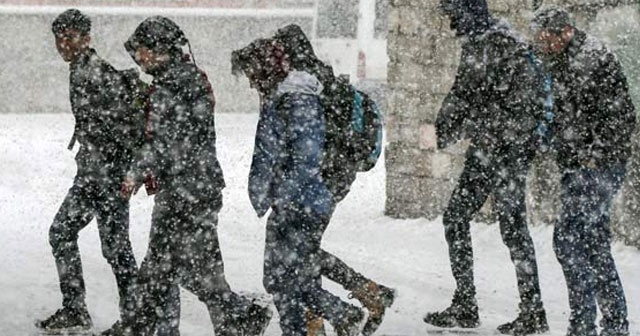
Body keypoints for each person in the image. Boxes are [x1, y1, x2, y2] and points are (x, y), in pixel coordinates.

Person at [113, 16, 272, 336]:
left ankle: (142, 328)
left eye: (143, 51)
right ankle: (236, 320)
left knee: (163, 270)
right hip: (197, 187)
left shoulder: (174, 84)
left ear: (159, 49)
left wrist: (135, 171)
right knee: (187, 271)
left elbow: (165, 141)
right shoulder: (185, 78)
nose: (139, 58)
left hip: (185, 191)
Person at [37, 9, 179, 335]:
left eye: (70, 37)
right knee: (87, 240)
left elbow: (126, 127)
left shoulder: (95, 73)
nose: (63, 44)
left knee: (112, 250)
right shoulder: (81, 69)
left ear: (86, 38)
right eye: (59, 38)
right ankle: (87, 312)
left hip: (106, 178)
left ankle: (127, 321)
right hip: (94, 175)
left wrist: (121, 170)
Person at [424, 0, 549, 334]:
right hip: (485, 153)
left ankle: (533, 310)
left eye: (453, 15)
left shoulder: (504, 47)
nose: (450, 23)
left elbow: (517, 106)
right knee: (455, 217)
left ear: (467, 13)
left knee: (513, 229)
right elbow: (463, 94)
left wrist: (478, 128)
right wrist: (443, 127)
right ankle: (465, 304)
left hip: (508, 155)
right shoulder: (476, 46)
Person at [233, 38, 367, 336]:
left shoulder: (297, 100)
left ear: (267, 69)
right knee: (285, 278)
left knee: (285, 278)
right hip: (293, 202)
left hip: (300, 205)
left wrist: (281, 195)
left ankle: (341, 315)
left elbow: (306, 159)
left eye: (254, 74)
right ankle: (330, 319)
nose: (252, 83)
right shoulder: (282, 98)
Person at [271, 24, 395, 336]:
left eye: (277, 52)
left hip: (320, 179)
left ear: (287, 52)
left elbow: (311, 140)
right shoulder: (317, 76)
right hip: (331, 176)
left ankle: (336, 311)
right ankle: (359, 298)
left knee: (300, 250)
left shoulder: (304, 84)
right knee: (303, 250)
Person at [530, 6, 636, 336]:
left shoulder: (592, 59)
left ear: (564, 33)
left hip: (598, 167)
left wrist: (594, 155)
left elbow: (622, 116)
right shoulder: (559, 60)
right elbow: (560, 115)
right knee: (589, 243)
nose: (540, 43)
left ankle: (589, 323)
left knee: (572, 241)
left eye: (545, 37)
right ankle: (606, 323)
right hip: (579, 166)